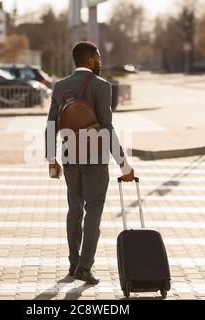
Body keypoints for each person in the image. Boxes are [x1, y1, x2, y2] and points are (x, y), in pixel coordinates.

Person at [45, 41, 135, 285]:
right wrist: (123, 165)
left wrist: (51, 160)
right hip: (95, 160)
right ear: (91, 60)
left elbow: (51, 125)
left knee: (74, 209)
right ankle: (85, 267)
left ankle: (74, 263)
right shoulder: (101, 86)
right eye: (98, 57)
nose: (101, 61)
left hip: (69, 158)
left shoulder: (60, 86)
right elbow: (106, 128)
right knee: (93, 211)